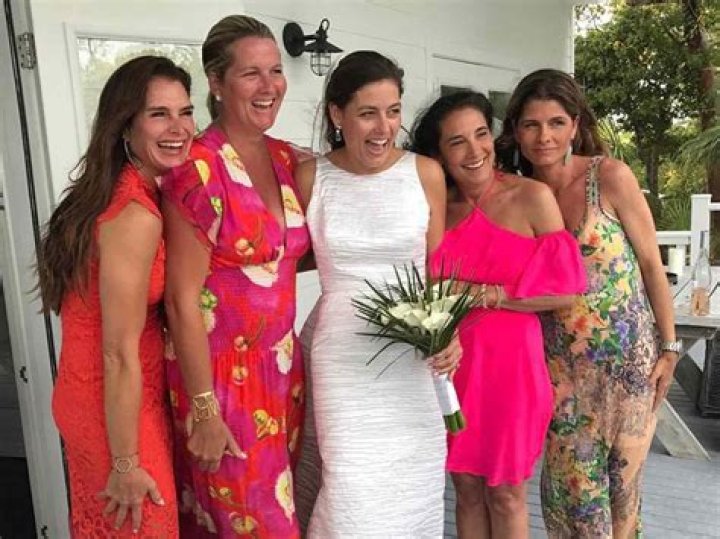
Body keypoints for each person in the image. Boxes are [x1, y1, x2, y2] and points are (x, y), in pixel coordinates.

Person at [496, 68, 679, 538]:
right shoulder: (517, 195)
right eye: (531, 124)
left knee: (623, 499)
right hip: (559, 374)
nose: (544, 136)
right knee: (572, 501)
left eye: (556, 122)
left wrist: (670, 347)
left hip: (629, 369)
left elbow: (650, 264)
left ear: (575, 125)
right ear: (515, 130)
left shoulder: (609, 176)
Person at [291, 50, 461, 537]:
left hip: (412, 357)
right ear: (337, 114)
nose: (384, 127)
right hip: (342, 357)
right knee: (350, 482)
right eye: (368, 113)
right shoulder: (311, 178)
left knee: (412, 478)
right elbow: (283, 257)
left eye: (393, 111)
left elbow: (437, 272)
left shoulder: (425, 173)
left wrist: (449, 332)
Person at [410, 90, 586, 538]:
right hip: (453, 365)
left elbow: (566, 291)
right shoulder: (435, 210)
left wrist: (485, 296)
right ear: (438, 154)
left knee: (506, 494)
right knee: (466, 490)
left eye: (481, 134)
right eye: (457, 142)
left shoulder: (531, 196)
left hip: (512, 368)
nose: (475, 151)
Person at [161, 15, 310, 537]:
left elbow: (287, 257)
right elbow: (180, 299)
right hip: (223, 382)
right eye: (251, 73)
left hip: (281, 371)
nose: (269, 86)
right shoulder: (197, 167)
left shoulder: (285, 157)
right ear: (216, 82)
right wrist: (204, 411)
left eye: (275, 71)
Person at [37, 55, 194, 536]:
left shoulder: (117, 192)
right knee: (146, 524)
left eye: (186, 112)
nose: (179, 128)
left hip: (102, 395)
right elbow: (117, 352)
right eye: (159, 114)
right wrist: (126, 462)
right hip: (112, 404)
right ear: (125, 125)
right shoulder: (134, 215)